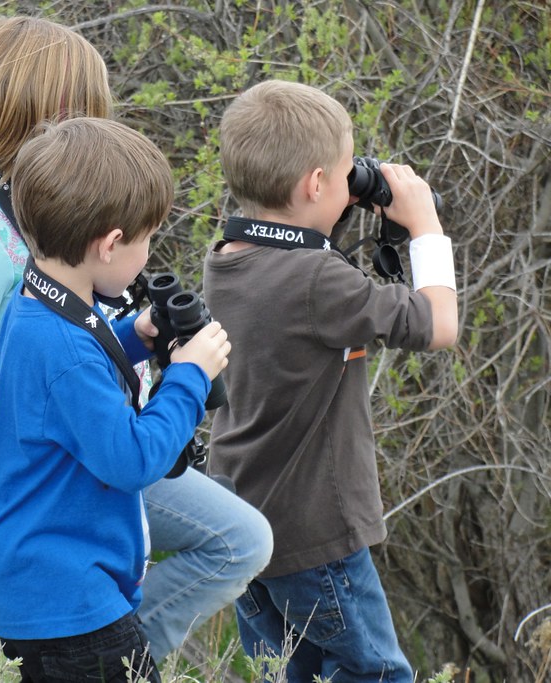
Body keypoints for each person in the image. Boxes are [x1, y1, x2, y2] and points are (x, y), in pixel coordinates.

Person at [0, 14, 272, 664]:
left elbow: (72, 340)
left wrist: (137, 339)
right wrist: (47, 450)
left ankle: (106, 644)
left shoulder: (68, 212)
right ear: (31, 119)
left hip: (110, 437)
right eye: (80, 113)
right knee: (232, 540)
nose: (96, 124)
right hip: (85, 458)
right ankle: (104, 647)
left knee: (239, 535)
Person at [203, 79, 459, 681]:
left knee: (300, 673)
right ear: (316, 185)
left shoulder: (230, 257)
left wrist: (340, 206)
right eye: (346, 176)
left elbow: (300, 259)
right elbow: (438, 324)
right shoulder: (318, 282)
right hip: (314, 534)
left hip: (245, 519)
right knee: (378, 674)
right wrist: (423, 226)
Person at [0, 116, 233, 682]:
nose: (146, 255)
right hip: (70, 605)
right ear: (110, 243)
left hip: (34, 581)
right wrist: (188, 376)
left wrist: (131, 340)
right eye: (145, 240)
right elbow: (133, 460)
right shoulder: (65, 343)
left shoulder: (34, 300)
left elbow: (65, 379)